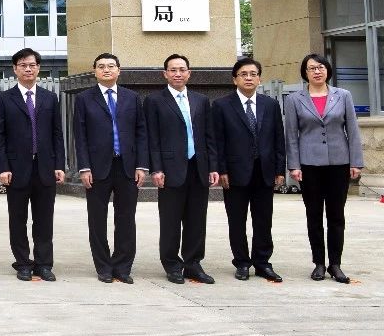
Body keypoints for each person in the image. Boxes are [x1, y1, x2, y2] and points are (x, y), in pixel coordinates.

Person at [283, 53, 365, 284]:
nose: (317, 71)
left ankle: (335, 264)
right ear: (305, 73)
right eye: (312, 68)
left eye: (320, 67)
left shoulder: (343, 95)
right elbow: (291, 135)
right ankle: (319, 263)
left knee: (336, 215)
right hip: (309, 166)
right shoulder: (294, 99)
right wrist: (294, 165)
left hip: (339, 163)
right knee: (314, 215)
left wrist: (356, 162)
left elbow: (352, 130)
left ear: (327, 70)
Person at [0, 47, 65, 282]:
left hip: (45, 168)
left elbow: (57, 134)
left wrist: (59, 164)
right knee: (18, 220)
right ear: (15, 69)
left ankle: (44, 264)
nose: (28, 69)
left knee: (44, 220)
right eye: (23, 65)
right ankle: (23, 263)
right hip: (16, 170)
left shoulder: (49, 98)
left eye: (32, 65)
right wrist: (3, 167)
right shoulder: (3, 99)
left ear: (38, 68)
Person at [73, 52, 148, 284]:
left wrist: (141, 165)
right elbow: (80, 135)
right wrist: (84, 167)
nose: (106, 70)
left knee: (126, 219)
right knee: (97, 220)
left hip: (127, 167)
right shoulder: (84, 99)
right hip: (97, 169)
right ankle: (104, 267)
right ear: (94, 71)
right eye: (101, 66)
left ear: (119, 70)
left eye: (111, 66)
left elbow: (141, 132)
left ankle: (123, 267)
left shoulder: (132, 97)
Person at [212, 57, 285, 282]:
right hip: (234, 174)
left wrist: (279, 170)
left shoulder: (270, 105)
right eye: (243, 74)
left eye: (253, 74)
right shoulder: (222, 105)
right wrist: (221, 170)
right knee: (237, 221)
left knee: (263, 220)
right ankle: (242, 262)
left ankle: (262, 263)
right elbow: (217, 141)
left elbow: (278, 139)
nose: (249, 78)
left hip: (264, 171)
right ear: (235, 79)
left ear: (259, 79)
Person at [145, 54, 216, 285]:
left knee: (197, 220)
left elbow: (209, 136)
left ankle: (193, 264)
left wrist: (213, 166)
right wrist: (156, 168)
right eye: (173, 70)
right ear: (165, 74)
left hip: (198, 167)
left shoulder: (201, 100)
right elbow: (152, 138)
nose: (178, 74)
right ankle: (172, 265)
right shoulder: (154, 101)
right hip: (169, 169)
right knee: (170, 221)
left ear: (189, 73)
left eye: (182, 69)